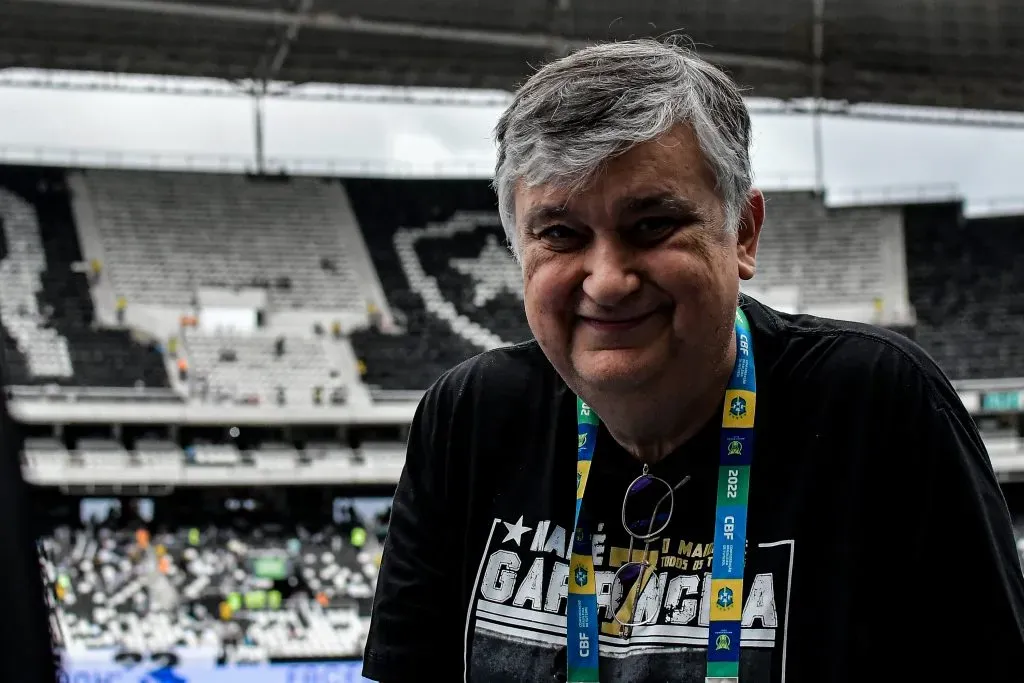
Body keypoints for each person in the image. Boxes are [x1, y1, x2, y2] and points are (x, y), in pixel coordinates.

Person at [362, 38, 1024, 683]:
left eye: (652, 225)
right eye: (561, 234)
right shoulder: (468, 419)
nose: (607, 280)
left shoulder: (880, 407)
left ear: (742, 233)